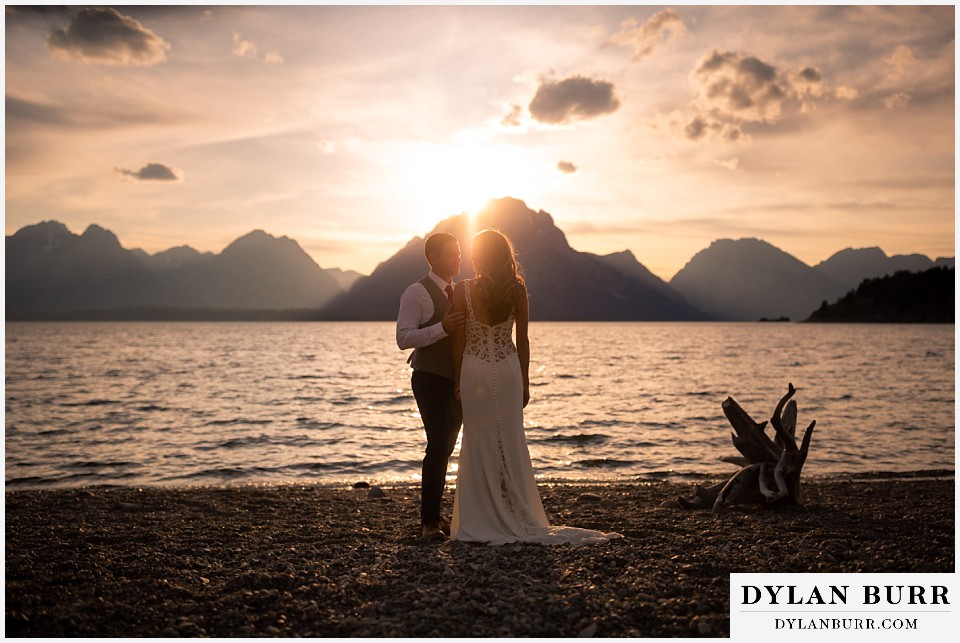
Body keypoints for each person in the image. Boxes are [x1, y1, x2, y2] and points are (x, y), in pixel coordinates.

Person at [450, 229, 621, 546]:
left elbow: (459, 341)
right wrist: (525, 380)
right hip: (508, 368)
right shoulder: (516, 289)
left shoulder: (462, 290)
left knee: (478, 439)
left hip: (474, 371)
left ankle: (482, 514)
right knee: (510, 439)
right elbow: (523, 341)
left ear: (479, 255)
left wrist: (458, 378)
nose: (472, 256)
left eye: (475, 251)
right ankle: (514, 509)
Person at [396, 232, 465, 540]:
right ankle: (429, 522)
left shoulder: (462, 291)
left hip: (459, 382)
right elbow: (404, 338)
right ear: (433, 258)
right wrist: (442, 328)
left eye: (460, 252)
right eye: (452, 253)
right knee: (437, 445)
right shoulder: (416, 292)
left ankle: (437, 513)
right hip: (428, 378)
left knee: (448, 448)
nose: (458, 258)